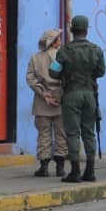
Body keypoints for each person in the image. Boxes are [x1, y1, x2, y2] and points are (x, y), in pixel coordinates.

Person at [50, 15, 106, 182]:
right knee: (89, 132)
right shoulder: (96, 50)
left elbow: (53, 72)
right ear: (86, 30)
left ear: (72, 30)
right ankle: (90, 171)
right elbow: (101, 72)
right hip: (90, 94)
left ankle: (75, 171)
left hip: (71, 94)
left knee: (73, 132)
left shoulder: (64, 51)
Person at [26, 28, 66, 177]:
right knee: (61, 135)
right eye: (58, 39)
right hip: (60, 102)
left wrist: (44, 93)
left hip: (41, 102)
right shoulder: (62, 57)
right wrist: (58, 95)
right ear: (53, 42)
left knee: (43, 135)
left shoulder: (35, 58)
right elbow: (67, 78)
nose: (60, 42)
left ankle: (43, 167)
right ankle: (60, 167)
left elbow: (30, 78)